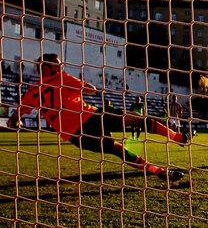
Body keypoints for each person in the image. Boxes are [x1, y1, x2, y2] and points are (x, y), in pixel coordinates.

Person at [7, 54, 195, 182]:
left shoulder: (31, 91)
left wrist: (15, 121)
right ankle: (180, 138)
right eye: (56, 64)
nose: (60, 67)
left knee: (118, 150)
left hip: (75, 136)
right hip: (90, 116)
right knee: (137, 119)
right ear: (46, 68)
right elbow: (90, 89)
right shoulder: (61, 78)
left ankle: (158, 171)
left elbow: (16, 116)